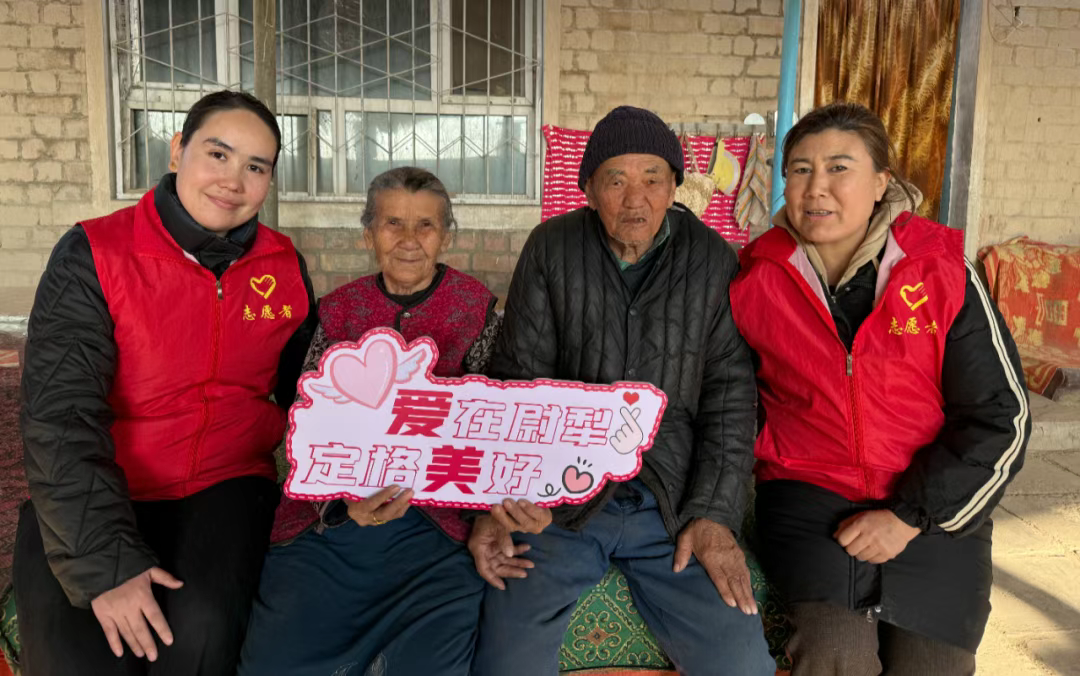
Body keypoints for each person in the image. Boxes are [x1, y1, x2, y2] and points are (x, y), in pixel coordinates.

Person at [13, 90, 317, 675]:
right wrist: (105, 564)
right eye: (218, 154)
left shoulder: (283, 266)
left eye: (256, 167)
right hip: (99, 482)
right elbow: (59, 414)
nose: (233, 181)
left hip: (226, 483)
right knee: (78, 655)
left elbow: (314, 393)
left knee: (198, 636)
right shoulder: (94, 253)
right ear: (178, 151)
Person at [469, 106, 775, 676]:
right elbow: (517, 382)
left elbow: (730, 399)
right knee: (507, 657)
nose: (636, 199)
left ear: (675, 186)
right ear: (588, 190)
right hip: (562, 498)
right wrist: (503, 499)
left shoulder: (711, 259)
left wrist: (713, 514)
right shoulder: (552, 247)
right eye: (616, 180)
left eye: (652, 178)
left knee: (739, 661)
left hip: (670, 499)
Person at [729, 102, 1030, 676]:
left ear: (880, 183)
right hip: (809, 499)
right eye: (800, 170)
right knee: (834, 654)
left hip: (933, 504)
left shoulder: (940, 271)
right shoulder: (755, 277)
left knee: (934, 666)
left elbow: (1001, 417)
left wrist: (907, 516)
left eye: (839, 168)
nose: (816, 187)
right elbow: (730, 402)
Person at [238, 166, 549, 676]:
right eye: (392, 223)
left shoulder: (477, 312)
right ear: (369, 234)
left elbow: (497, 430)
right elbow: (308, 426)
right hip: (333, 526)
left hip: (435, 532)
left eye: (426, 225)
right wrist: (342, 506)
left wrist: (487, 515)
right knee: (276, 663)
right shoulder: (337, 313)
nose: (409, 239)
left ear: (446, 236)